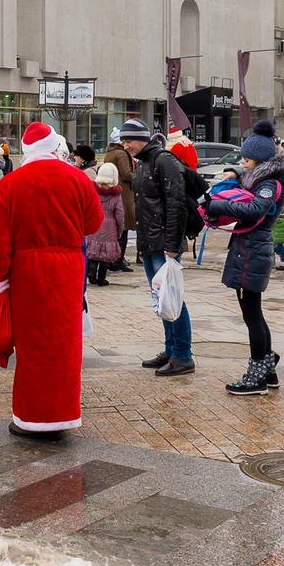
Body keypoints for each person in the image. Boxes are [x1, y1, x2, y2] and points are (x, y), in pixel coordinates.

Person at [0, 122, 103, 437]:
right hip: (68, 269)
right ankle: (62, 415)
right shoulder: (78, 178)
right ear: (55, 147)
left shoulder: (11, 183)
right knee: (65, 343)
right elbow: (93, 223)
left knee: (32, 344)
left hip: (28, 271)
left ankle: (31, 417)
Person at [203, 120, 284, 395]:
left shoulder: (268, 182)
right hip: (250, 247)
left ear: (259, 160)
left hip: (252, 249)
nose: (242, 163)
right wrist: (234, 172)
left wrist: (216, 205)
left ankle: (256, 377)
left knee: (252, 315)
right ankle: (267, 369)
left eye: (246, 159)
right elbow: (248, 179)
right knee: (254, 313)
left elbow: (255, 208)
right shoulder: (265, 176)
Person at [121, 119, 191, 375]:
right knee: (161, 299)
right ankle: (170, 350)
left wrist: (172, 244)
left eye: (129, 140)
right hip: (150, 243)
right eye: (123, 141)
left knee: (172, 298)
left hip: (164, 243)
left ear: (143, 139)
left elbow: (176, 205)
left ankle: (183, 355)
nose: (126, 146)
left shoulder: (164, 161)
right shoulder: (143, 162)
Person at [101, 129, 137, 272]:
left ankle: (111, 260)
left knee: (115, 230)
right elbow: (126, 174)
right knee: (124, 228)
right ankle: (118, 260)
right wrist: (139, 176)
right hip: (124, 194)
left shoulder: (109, 153)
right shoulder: (121, 154)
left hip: (113, 192)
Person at [85, 161, 125, 286]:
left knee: (93, 250)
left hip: (95, 221)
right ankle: (102, 279)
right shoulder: (116, 195)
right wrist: (120, 228)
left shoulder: (93, 190)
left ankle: (91, 272)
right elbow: (120, 213)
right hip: (110, 224)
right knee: (106, 254)